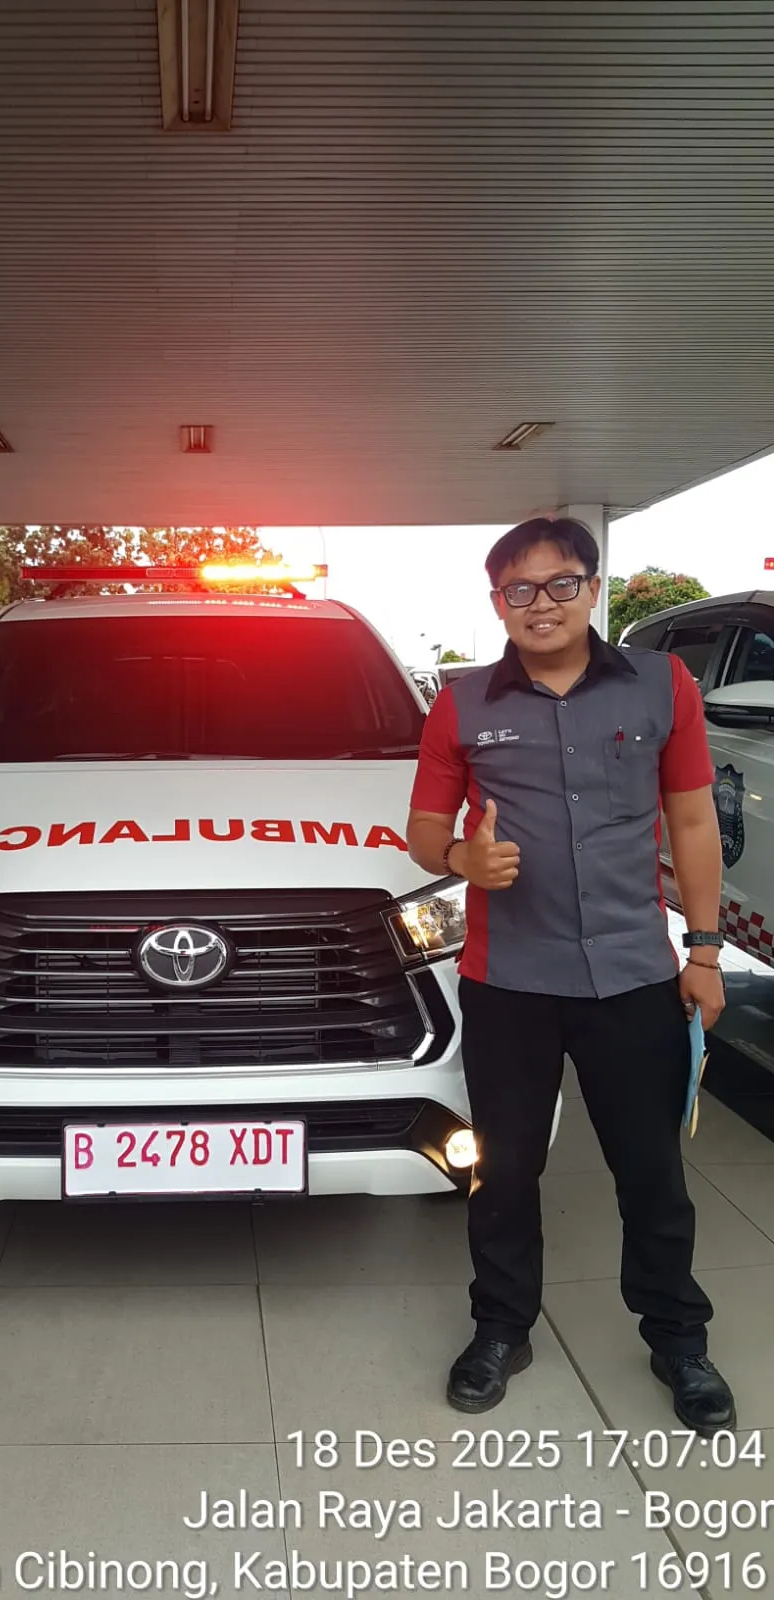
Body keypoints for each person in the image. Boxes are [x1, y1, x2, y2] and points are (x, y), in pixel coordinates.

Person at [407, 515, 735, 1435]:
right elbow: (423, 829)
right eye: (519, 589)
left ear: (593, 588)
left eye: (560, 584)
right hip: (509, 979)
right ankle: (501, 1329)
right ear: (497, 603)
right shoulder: (461, 704)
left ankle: (678, 1338)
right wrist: (461, 859)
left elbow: (693, 822)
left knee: (651, 1170)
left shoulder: (662, 685)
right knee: (504, 1171)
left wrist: (705, 952)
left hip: (634, 975)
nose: (541, 604)